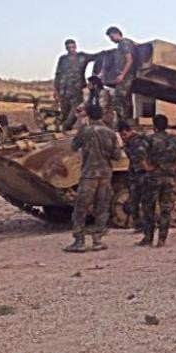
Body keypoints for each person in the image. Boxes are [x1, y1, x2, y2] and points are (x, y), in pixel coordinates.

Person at [65, 104, 122, 252]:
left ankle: (79, 241)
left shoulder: (85, 131)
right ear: (102, 115)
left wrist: (80, 122)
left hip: (89, 174)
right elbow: (117, 156)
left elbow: (73, 147)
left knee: (81, 208)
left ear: (88, 115)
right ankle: (97, 240)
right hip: (105, 174)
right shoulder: (110, 133)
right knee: (102, 207)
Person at [139, 115, 176, 248]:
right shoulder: (174, 140)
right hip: (168, 178)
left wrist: (146, 167)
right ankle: (162, 239)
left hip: (153, 178)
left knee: (148, 208)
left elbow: (139, 154)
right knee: (165, 209)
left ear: (154, 126)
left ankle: (148, 238)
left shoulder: (149, 139)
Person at [118, 120, 151, 233]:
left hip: (143, 173)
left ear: (130, 131)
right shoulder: (128, 142)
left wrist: (147, 169)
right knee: (133, 200)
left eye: (124, 134)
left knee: (145, 201)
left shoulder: (138, 142)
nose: (123, 137)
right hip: (134, 172)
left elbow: (142, 157)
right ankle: (138, 225)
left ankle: (148, 225)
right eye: (121, 135)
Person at [54, 39, 93, 131]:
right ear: (66, 48)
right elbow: (58, 74)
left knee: (75, 111)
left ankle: (65, 128)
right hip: (64, 90)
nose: (71, 49)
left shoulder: (82, 56)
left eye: (72, 47)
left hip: (77, 90)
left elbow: (97, 56)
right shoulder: (63, 59)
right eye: (69, 47)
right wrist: (56, 90)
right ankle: (62, 130)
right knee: (64, 111)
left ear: (76, 46)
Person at [101, 26, 138, 123]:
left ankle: (121, 122)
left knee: (117, 99)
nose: (111, 39)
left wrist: (122, 75)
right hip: (126, 75)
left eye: (111, 37)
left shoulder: (124, 43)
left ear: (117, 33)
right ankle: (125, 122)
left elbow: (129, 60)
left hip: (126, 76)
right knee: (125, 101)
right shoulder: (126, 43)